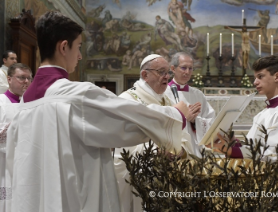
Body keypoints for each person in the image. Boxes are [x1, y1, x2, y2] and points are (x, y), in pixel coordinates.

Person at [6, 11, 190, 212]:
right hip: (73, 201)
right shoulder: (74, 95)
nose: (80, 56)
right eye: (78, 47)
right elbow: (128, 121)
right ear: (64, 46)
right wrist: (176, 114)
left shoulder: (23, 103)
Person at [114, 54, 193, 212]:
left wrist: (181, 151)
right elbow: (122, 143)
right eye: (161, 72)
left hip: (168, 177)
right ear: (145, 75)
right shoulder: (128, 100)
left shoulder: (167, 100)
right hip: (140, 178)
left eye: (168, 73)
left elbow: (182, 133)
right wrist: (156, 152)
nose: (167, 77)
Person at [213, 55, 278, 160]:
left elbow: (275, 155)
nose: (255, 82)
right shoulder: (262, 113)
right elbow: (253, 148)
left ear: (276, 77)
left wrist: (231, 151)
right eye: (255, 78)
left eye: (260, 76)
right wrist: (233, 143)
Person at [165, 52, 216, 157]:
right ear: (173, 69)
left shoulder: (198, 94)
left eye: (190, 68)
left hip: (195, 147)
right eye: (183, 68)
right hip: (173, 149)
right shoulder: (164, 92)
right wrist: (183, 116)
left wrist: (195, 121)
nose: (187, 72)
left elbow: (211, 120)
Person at [0, 63, 31, 212]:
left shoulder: (31, 104)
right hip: (3, 162)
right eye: (21, 78)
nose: (26, 81)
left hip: (25, 161)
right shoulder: (0, 101)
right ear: (9, 79)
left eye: (28, 78)